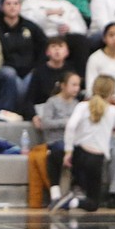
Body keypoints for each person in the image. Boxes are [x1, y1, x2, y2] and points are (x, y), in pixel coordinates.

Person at [53, 74, 115, 212]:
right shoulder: (113, 111)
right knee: (93, 204)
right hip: (95, 158)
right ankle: (73, 201)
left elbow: (71, 126)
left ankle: (72, 192)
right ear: (111, 92)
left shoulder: (82, 106)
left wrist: (68, 151)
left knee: (83, 186)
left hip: (79, 153)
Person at [21, 0, 88, 70]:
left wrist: (69, 29)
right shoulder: (30, 1)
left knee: (81, 41)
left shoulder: (65, 4)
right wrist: (46, 13)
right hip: (42, 38)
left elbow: (81, 28)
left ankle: (80, 78)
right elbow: (26, 23)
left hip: (62, 38)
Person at [0, 0, 47, 119]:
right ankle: (6, 115)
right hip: (6, 68)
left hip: (29, 69)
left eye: (16, 3)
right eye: (8, 4)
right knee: (11, 77)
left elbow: (44, 47)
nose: (12, 7)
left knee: (34, 76)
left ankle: (25, 115)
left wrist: (37, 67)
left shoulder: (30, 26)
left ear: (20, 6)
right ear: (2, 7)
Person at [36, 70, 79, 208]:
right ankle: (56, 194)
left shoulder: (77, 104)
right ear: (63, 85)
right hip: (55, 141)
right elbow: (46, 123)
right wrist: (67, 122)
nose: (76, 88)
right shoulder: (52, 102)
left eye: (78, 85)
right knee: (58, 152)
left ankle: (75, 191)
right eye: (73, 85)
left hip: (72, 141)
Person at [84, 22, 115, 105]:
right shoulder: (95, 58)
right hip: (102, 103)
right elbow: (90, 89)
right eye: (111, 35)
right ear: (104, 38)